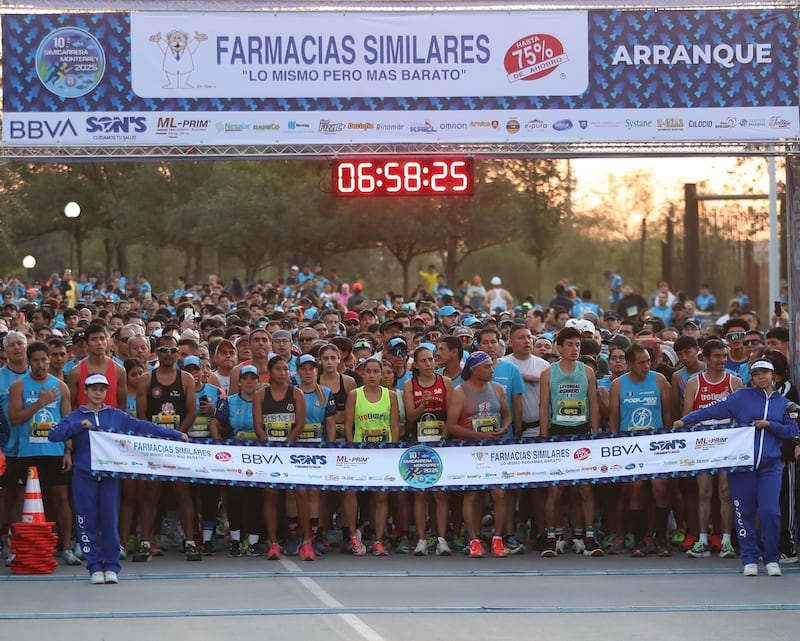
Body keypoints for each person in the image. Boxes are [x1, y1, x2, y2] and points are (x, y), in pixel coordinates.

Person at [48, 373, 187, 584]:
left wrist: (175, 435)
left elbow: (142, 426)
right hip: (84, 476)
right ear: (85, 391)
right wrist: (78, 426)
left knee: (109, 520)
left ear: (106, 392)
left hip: (110, 476)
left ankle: (111, 566)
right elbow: (54, 434)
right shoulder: (76, 415)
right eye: (93, 389)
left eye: (102, 389)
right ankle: (94, 566)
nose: (97, 393)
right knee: (87, 521)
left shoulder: (115, 415)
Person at [674, 360, 798, 576]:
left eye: (765, 373)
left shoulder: (783, 403)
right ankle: (749, 558)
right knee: (744, 511)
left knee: (770, 512)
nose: (761, 377)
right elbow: (712, 410)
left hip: (770, 466)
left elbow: (791, 430)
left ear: (773, 376)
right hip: (741, 465)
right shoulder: (742, 397)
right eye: (756, 374)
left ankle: (771, 558)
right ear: (751, 377)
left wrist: (771, 425)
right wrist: (685, 420)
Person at [6, 342, 76, 564]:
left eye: (44, 359)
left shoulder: (61, 387)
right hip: (24, 452)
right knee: (16, 499)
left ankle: (66, 547)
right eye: (35, 360)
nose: (41, 364)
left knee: (61, 499)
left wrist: (68, 450)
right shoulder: (18, 386)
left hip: (54, 452)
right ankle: (14, 548)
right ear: (29, 361)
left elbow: (68, 424)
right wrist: (40, 403)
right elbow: (15, 418)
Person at [540, 327, 602, 557]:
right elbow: (543, 406)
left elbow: (594, 404)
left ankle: (587, 536)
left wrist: (594, 433)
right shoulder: (549, 373)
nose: (575, 349)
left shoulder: (587, 372)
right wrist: (545, 438)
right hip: (557, 433)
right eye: (570, 345)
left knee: (584, 488)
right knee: (555, 490)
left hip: (582, 433)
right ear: (559, 347)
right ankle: (551, 538)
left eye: (578, 345)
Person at [445, 351, 512, 558]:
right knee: (472, 494)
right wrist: (477, 435)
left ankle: (497, 539)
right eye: (487, 367)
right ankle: (474, 540)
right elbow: (452, 426)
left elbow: (507, 416)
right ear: (474, 370)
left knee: (499, 493)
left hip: (492, 449)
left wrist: (504, 428)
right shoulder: (460, 391)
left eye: (492, 366)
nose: (492, 370)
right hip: (469, 451)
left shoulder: (498, 389)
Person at [608, 344, 672, 557]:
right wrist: (615, 448)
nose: (646, 365)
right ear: (629, 364)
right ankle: (638, 541)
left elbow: (668, 414)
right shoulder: (618, 385)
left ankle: (660, 538)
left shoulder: (660, 380)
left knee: (660, 488)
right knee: (635, 489)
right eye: (641, 362)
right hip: (630, 446)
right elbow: (614, 420)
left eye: (648, 361)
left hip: (656, 445)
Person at [681, 338, 742, 559]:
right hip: (703, 445)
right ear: (705, 358)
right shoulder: (694, 383)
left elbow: (741, 417)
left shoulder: (734, 382)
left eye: (724, 356)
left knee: (725, 493)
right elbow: (686, 418)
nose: (722, 360)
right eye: (717, 356)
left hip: (727, 443)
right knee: (704, 492)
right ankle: (703, 539)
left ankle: (726, 541)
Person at [343, 356, 400, 556]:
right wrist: (352, 448)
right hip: (360, 452)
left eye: (377, 371)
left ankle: (378, 539)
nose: (373, 375)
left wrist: (392, 450)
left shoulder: (390, 396)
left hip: (382, 453)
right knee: (351, 492)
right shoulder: (354, 395)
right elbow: (348, 425)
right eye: (369, 371)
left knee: (381, 495)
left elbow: (394, 425)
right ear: (363, 373)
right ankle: (352, 535)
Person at [402, 345, 453, 556]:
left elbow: (451, 414)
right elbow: (411, 417)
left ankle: (441, 539)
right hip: (418, 443)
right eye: (423, 360)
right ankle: (422, 540)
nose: (429, 364)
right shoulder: (409, 385)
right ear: (416, 364)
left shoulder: (445, 382)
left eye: (431, 359)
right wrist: (423, 405)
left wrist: (446, 435)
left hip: (440, 444)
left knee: (440, 494)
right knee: (421, 493)